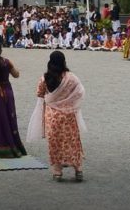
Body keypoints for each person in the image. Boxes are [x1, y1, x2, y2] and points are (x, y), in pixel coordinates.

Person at [27, 51, 86, 182]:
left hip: (52, 116)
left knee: (55, 143)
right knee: (72, 141)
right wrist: (69, 102)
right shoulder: (71, 78)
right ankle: (78, 169)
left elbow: (40, 94)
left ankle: (57, 172)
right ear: (64, 62)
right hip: (69, 115)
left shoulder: (45, 78)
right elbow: (80, 92)